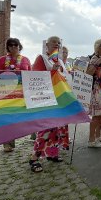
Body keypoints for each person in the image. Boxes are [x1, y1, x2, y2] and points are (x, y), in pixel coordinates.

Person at [28, 36, 70, 173]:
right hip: (47, 99)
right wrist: (52, 71)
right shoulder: (41, 58)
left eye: (59, 43)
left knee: (58, 128)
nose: (57, 44)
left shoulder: (60, 61)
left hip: (60, 99)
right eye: (54, 42)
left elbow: (65, 77)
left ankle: (53, 153)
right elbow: (36, 78)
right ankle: (34, 158)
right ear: (47, 45)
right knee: (46, 129)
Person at [0, 38, 31, 152]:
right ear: (8, 47)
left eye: (15, 45)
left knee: (21, 117)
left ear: (19, 46)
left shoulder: (25, 60)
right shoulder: (2, 60)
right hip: (6, 93)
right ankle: (7, 143)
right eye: (10, 45)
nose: (13, 47)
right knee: (6, 118)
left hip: (22, 93)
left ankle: (33, 133)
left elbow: (30, 76)